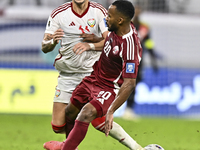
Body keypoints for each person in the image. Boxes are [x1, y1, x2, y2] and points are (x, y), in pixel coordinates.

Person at [41, 0, 143, 150]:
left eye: (109, 16)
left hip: (108, 86)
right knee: (67, 115)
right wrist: (94, 42)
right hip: (92, 77)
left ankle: (67, 148)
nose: (105, 18)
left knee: (88, 114)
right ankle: (68, 144)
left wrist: (111, 111)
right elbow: (110, 40)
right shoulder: (118, 27)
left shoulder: (130, 46)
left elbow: (130, 83)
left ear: (119, 20)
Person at [123, 4, 158, 120]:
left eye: (138, 11)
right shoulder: (125, 25)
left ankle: (128, 110)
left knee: (133, 85)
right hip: (124, 60)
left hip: (138, 61)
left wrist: (153, 60)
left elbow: (148, 44)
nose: (137, 13)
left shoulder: (144, 27)